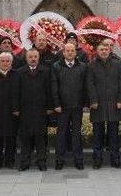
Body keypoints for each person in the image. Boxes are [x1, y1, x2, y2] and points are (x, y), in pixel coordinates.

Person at [87, 41, 121, 169]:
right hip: (98, 104)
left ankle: (115, 159)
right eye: (101, 49)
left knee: (113, 134)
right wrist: (93, 101)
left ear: (110, 50)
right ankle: (97, 160)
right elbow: (90, 84)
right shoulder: (91, 65)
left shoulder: (118, 64)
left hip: (114, 104)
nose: (104, 51)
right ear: (97, 51)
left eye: (106, 49)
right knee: (97, 134)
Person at [51, 42, 88, 170]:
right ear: (63, 52)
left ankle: (78, 159)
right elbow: (54, 86)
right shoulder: (56, 66)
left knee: (77, 134)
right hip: (62, 107)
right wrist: (56, 104)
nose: (70, 52)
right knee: (61, 134)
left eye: (72, 50)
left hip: (77, 106)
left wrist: (85, 103)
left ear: (75, 52)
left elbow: (85, 86)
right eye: (68, 50)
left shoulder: (83, 67)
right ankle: (59, 160)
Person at [16, 48, 53, 171]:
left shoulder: (46, 71)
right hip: (25, 109)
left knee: (40, 137)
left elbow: (49, 91)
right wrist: (16, 108)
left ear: (38, 58)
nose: (33, 59)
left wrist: (49, 107)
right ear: (26, 58)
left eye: (35, 57)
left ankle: (41, 161)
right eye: (30, 57)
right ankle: (25, 162)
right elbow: (16, 92)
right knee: (25, 137)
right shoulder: (20, 72)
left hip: (41, 110)